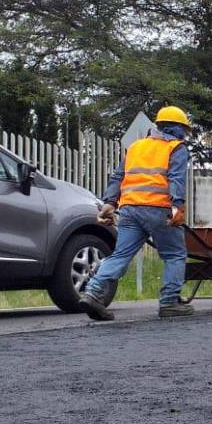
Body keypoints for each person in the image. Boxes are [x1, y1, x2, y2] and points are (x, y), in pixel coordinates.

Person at [78, 106, 193, 321]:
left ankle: (92, 292)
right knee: (174, 254)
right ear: (178, 128)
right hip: (158, 209)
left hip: (129, 209)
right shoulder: (177, 147)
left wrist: (109, 203)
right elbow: (176, 179)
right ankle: (169, 302)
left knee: (121, 254)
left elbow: (118, 176)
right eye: (184, 129)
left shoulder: (136, 147)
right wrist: (178, 208)